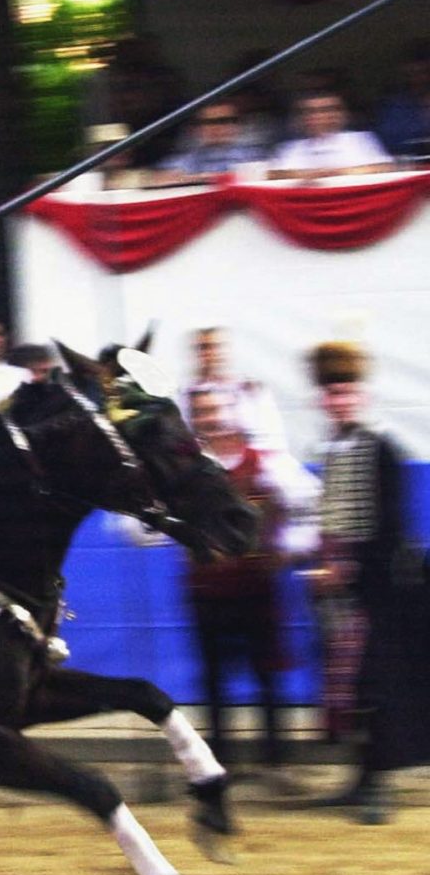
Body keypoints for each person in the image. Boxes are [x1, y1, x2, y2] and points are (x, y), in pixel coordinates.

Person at [303, 342, 430, 823]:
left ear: (360, 394)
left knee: (378, 688)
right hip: (340, 593)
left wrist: (349, 567)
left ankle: (378, 784)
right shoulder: (330, 450)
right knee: (349, 690)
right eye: (332, 393)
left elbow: (393, 529)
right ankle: (360, 777)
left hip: (381, 593)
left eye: (346, 391)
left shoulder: (382, 450)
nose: (339, 400)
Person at [185, 386, 319, 777]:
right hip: (205, 591)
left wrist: (289, 550)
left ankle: (276, 760)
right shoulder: (188, 467)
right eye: (204, 412)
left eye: (218, 411)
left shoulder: (269, 464)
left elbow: (310, 505)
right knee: (212, 680)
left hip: (256, 589)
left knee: (267, 675)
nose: (212, 419)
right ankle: (219, 763)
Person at [183, 325, 287, 453]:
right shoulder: (184, 396)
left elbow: (271, 437)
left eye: (215, 347)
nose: (210, 353)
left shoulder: (252, 390)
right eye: (203, 347)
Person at [269, 90, 393, 178]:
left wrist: (338, 173)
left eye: (327, 110)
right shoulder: (289, 148)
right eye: (310, 111)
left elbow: (385, 167)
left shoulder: (362, 139)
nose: (318, 116)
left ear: (342, 114)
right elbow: (272, 174)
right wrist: (306, 175)